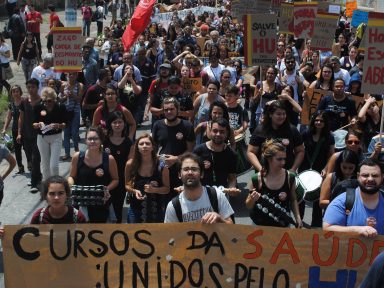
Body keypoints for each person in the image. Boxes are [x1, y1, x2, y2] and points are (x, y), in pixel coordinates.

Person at [246, 139, 302, 228]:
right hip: (259, 227)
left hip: (283, 226)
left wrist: (298, 217)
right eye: (279, 159)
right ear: (269, 159)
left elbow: (293, 199)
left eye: (284, 159)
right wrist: (252, 199)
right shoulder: (256, 179)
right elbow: (248, 205)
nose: (283, 162)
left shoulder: (290, 177)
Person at [164, 152, 234, 223]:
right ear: (179, 175)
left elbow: (232, 227)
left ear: (202, 174)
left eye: (194, 169)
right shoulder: (173, 206)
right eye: (186, 169)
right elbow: (169, 233)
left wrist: (219, 219)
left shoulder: (216, 195)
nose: (190, 172)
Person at [68, 126, 118, 223]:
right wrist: (71, 185)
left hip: (101, 202)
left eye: (95, 139)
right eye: (89, 139)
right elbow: (71, 176)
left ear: (101, 140)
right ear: (85, 140)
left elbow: (115, 179)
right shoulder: (77, 157)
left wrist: (107, 189)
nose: (92, 141)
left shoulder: (109, 159)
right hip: (81, 201)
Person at [323, 159, 384, 237]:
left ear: (382, 177)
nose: (370, 179)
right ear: (358, 176)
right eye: (365, 175)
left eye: (375, 176)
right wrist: (358, 230)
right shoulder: (342, 201)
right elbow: (327, 228)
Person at [152, 97, 195, 198]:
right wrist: (157, 157)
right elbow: (153, 147)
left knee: (181, 198)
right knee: (163, 199)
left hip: (181, 168)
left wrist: (176, 159)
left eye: (171, 109)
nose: (169, 112)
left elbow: (191, 150)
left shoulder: (187, 126)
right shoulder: (157, 125)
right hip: (162, 167)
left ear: (177, 110)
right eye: (166, 110)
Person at [247, 100, 304, 173]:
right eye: (278, 114)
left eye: (284, 114)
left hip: (287, 172)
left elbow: (300, 151)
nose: (282, 116)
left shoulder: (292, 130)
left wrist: (293, 169)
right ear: (270, 114)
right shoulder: (260, 130)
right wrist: (260, 169)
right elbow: (251, 152)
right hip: (265, 173)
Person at [299, 111, 335, 227]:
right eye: (316, 120)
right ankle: (298, 221)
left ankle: (316, 224)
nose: (318, 122)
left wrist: (326, 169)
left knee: (318, 198)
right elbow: (298, 150)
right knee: (301, 195)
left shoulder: (329, 137)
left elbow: (331, 155)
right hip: (304, 168)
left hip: (321, 169)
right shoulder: (305, 134)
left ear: (325, 123)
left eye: (321, 121)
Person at [125, 133, 170, 223]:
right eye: (141, 144)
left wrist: (154, 190)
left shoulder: (161, 166)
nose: (144, 146)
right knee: (133, 235)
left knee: (156, 236)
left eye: (147, 144)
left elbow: (167, 189)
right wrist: (134, 191)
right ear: (137, 147)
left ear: (153, 147)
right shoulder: (130, 164)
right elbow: (127, 185)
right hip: (135, 209)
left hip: (156, 210)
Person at [103, 111, 133, 223]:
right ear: (110, 124)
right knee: (103, 207)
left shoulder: (128, 142)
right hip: (105, 179)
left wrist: (129, 181)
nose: (117, 125)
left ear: (124, 124)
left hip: (121, 179)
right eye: (114, 122)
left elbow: (130, 162)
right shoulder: (104, 140)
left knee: (118, 207)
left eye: (120, 122)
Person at [33, 87, 67, 182]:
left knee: (54, 165)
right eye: (45, 101)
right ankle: (47, 185)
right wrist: (38, 124)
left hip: (56, 137)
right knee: (45, 164)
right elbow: (33, 123)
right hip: (42, 137)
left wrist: (58, 125)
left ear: (54, 99)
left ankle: (56, 183)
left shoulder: (60, 107)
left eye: (50, 101)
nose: (47, 103)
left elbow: (65, 124)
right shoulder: (38, 107)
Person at [193, 118, 237, 190]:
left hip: (222, 195)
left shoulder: (232, 154)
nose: (218, 134)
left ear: (226, 134)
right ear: (210, 132)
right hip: (200, 193)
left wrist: (231, 189)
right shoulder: (198, 151)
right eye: (215, 131)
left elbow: (232, 177)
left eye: (222, 132)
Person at [17, 78, 42, 193]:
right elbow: (21, 118)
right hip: (26, 135)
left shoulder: (42, 101)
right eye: (29, 87)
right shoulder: (24, 102)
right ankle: (38, 176)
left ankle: (34, 183)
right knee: (30, 159)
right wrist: (19, 133)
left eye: (33, 87)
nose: (31, 89)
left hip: (39, 136)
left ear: (37, 87)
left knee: (35, 158)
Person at [2, 85, 30, 174]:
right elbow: (8, 117)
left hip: (25, 129)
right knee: (17, 150)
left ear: (20, 92)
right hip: (15, 129)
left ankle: (30, 164)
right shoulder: (11, 104)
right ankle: (20, 167)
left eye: (17, 91)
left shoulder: (25, 102)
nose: (15, 93)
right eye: (13, 91)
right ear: (11, 93)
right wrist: (4, 129)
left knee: (27, 148)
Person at [58, 72, 84, 160]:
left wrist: (71, 92)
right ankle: (67, 153)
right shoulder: (63, 85)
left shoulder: (80, 85)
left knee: (74, 132)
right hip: (65, 112)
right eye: (70, 74)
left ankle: (76, 148)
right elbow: (60, 99)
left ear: (77, 76)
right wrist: (65, 97)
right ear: (67, 75)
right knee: (66, 133)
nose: (71, 76)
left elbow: (79, 99)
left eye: (73, 74)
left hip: (75, 112)